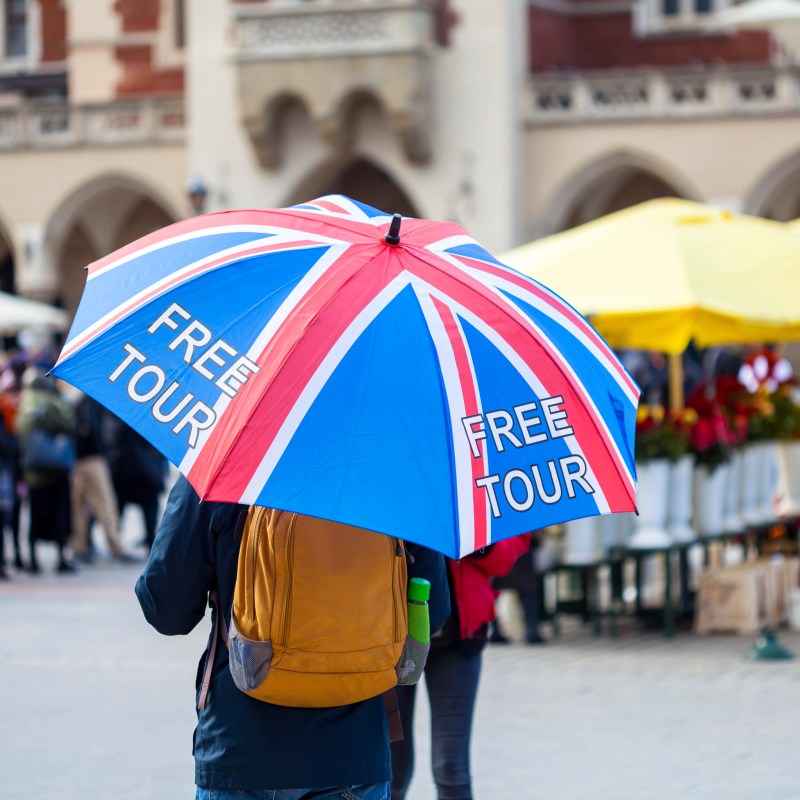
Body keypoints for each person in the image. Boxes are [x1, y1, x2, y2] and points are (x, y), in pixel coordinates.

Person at [135, 476, 450, 799]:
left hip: (243, 741)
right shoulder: (395, 476)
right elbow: (433, 610)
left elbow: (167, 610)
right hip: (355, 747)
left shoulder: (224, 467)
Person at [390, 534, 531, 800]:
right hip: (392, 636)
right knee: (391, 770)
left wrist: (476, 540)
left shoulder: (476, 493)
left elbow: (503, 560)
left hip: (459, 636)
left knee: (451, 768)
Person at [14, 368, 77, 574]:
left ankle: (32, 558)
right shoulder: (53, 402)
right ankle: (60, 558)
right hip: (56, 470)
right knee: (59, 515)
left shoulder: (22, 403)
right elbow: (70, 424)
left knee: (35, 516)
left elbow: (19, 432)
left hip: (33, 473)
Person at [68, 392, 137, 563]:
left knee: (79, 506)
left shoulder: (73, 394)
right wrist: (103, 448)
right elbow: (93, 426)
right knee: (105, 504)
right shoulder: (90, 396)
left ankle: (79, 548)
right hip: (92, 457)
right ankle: (116, 547)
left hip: (75, 457)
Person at [106, 414, 168, 550]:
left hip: (127, 471)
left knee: (121, 508)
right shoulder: (148, 419)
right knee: (148, 508)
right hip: (142, 471)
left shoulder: (120, 416)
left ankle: (120, 544)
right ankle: (148, 542)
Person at [489, 531, 546, 645]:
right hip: (522, 557)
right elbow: (537, 541)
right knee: (528, 596)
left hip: (503, 553)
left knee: (494, 595)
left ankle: (494, 631)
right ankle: (532, 631)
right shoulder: (528, 517)